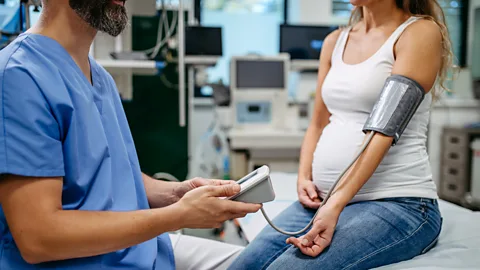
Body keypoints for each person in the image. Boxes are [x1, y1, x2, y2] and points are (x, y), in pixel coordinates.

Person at [0, 0, 261, 269]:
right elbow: (39, 238)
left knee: (263, 261)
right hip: (85, 262)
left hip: (137, 250)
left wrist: (176, 193)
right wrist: (178, 216)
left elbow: (109, 173)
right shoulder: (20, 77)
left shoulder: (99, 77)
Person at [229, 0, 452, 269]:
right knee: (243, 266)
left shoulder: (419, 32)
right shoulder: (335, 41)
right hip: (325, 200)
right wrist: (304, 176)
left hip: (398, 203)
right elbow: (317, 123)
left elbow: (382, 131)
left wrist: (336, 203)